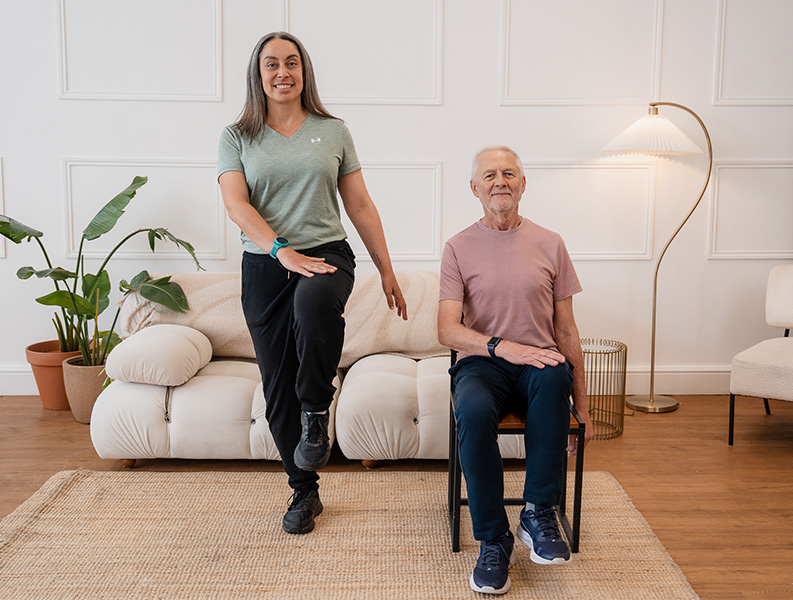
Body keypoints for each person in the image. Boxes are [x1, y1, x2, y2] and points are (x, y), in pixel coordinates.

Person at [217, 32, 407, 536]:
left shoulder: (333, 131)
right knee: (276, 386)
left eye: (292, 63)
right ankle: (304, 489)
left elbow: (360, 205)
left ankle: (317, 407)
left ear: (305, 72)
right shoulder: (237, 137)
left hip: (326, 255)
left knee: (314, 302)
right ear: (258, 75)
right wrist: (282, 251)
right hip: (265, 266)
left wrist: (386, 268)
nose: (283, 72)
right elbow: (237, 205)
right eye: (272, 64)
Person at [438, 146, 593, 595]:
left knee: (553, 374)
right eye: (490, 175)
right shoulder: (458, 247)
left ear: (523, 184)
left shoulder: (551, 243)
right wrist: (503, 348)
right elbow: (447, 329)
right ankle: (493, 537)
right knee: (470, 411)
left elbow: (566, 329)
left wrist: (580, 404)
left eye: (509, 173)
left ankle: (538, 511)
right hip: (483, 366)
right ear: (474, 188)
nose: (500, 181)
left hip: (540, 365)